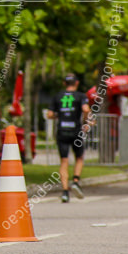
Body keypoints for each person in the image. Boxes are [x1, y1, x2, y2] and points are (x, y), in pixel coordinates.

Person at [45, 74, 90, 203]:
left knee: (64, 161)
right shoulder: (81, 96)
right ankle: (75, 180)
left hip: (62, 131)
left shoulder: (57, 96)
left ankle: (65, 192)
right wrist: (85, 121)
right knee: (79, 157)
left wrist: (59, 117)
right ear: (77, 83)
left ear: (64, 84)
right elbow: (85, 109)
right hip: (76, 131)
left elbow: (49, 114)